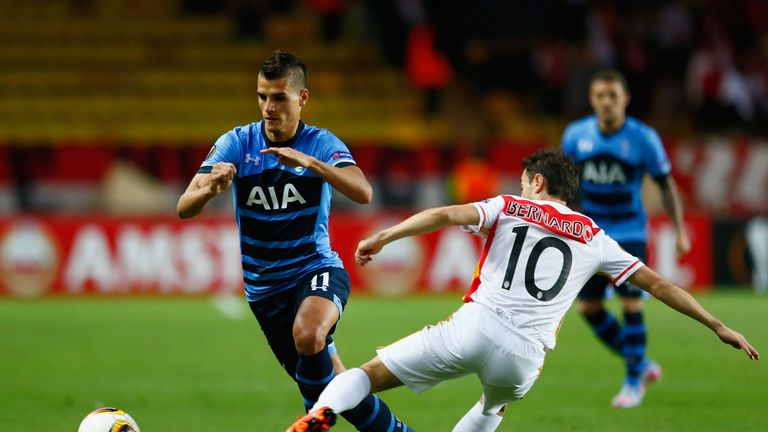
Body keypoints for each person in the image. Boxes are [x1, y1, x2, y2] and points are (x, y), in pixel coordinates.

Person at [286, 149, 759, 432]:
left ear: (537, 182)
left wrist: (385, 236)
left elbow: (449, 214)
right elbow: (658, 284)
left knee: (367, 375)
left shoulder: (512, 205)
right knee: (496, 403)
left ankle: (322, 410)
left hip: (474, 326)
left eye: (522, 179)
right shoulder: (596, 238)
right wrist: (717, 324)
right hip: (525, 358)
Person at [177, 51, 412, 432]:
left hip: (316, 269)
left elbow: (363, 191)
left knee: (308, 332)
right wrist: (211, 189)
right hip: (265, 292)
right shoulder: (237, 143)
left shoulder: (320, 143)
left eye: (279, 97)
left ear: (302, 98)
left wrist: (310, 164)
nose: (268, 107)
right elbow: (184, 206)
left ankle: (312, 424)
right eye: (262, 96)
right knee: (338, 389)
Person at [561, 68, 692, 408]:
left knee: (631, 303)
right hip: (589, 231)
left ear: (625, 100)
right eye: (600, 96)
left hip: (629, 230)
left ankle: (633, 381)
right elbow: (564, 184)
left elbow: (665, 183)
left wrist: (679, 230)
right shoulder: (576, 135)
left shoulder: (643, 138)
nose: (606, 103)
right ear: (591, 99)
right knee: (589, 308)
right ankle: (642, 362)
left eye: (613, 97)